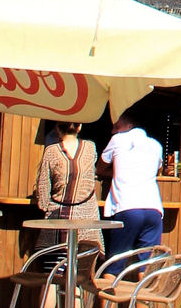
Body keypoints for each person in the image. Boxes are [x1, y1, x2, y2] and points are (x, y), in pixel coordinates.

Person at [99, 109, 166, 272]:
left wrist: (114, 172)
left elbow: (100, 168)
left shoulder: (117, 139)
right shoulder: (156, 145)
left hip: (127, 207)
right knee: (145, 269)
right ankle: (145, 291)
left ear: (129, 126)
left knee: (113, 267)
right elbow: (158, 170)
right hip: (153, 210)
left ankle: (108, 290)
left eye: (117, 126)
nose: (113, 131)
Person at [33, 121, 102, 249]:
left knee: (54, 254)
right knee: (85, 254)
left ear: (57, 129)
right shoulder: (90, 147)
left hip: (57, 215)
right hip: (87, 216)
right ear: (79, 127)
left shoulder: (51, 151)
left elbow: (43, 185)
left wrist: (44, 205)